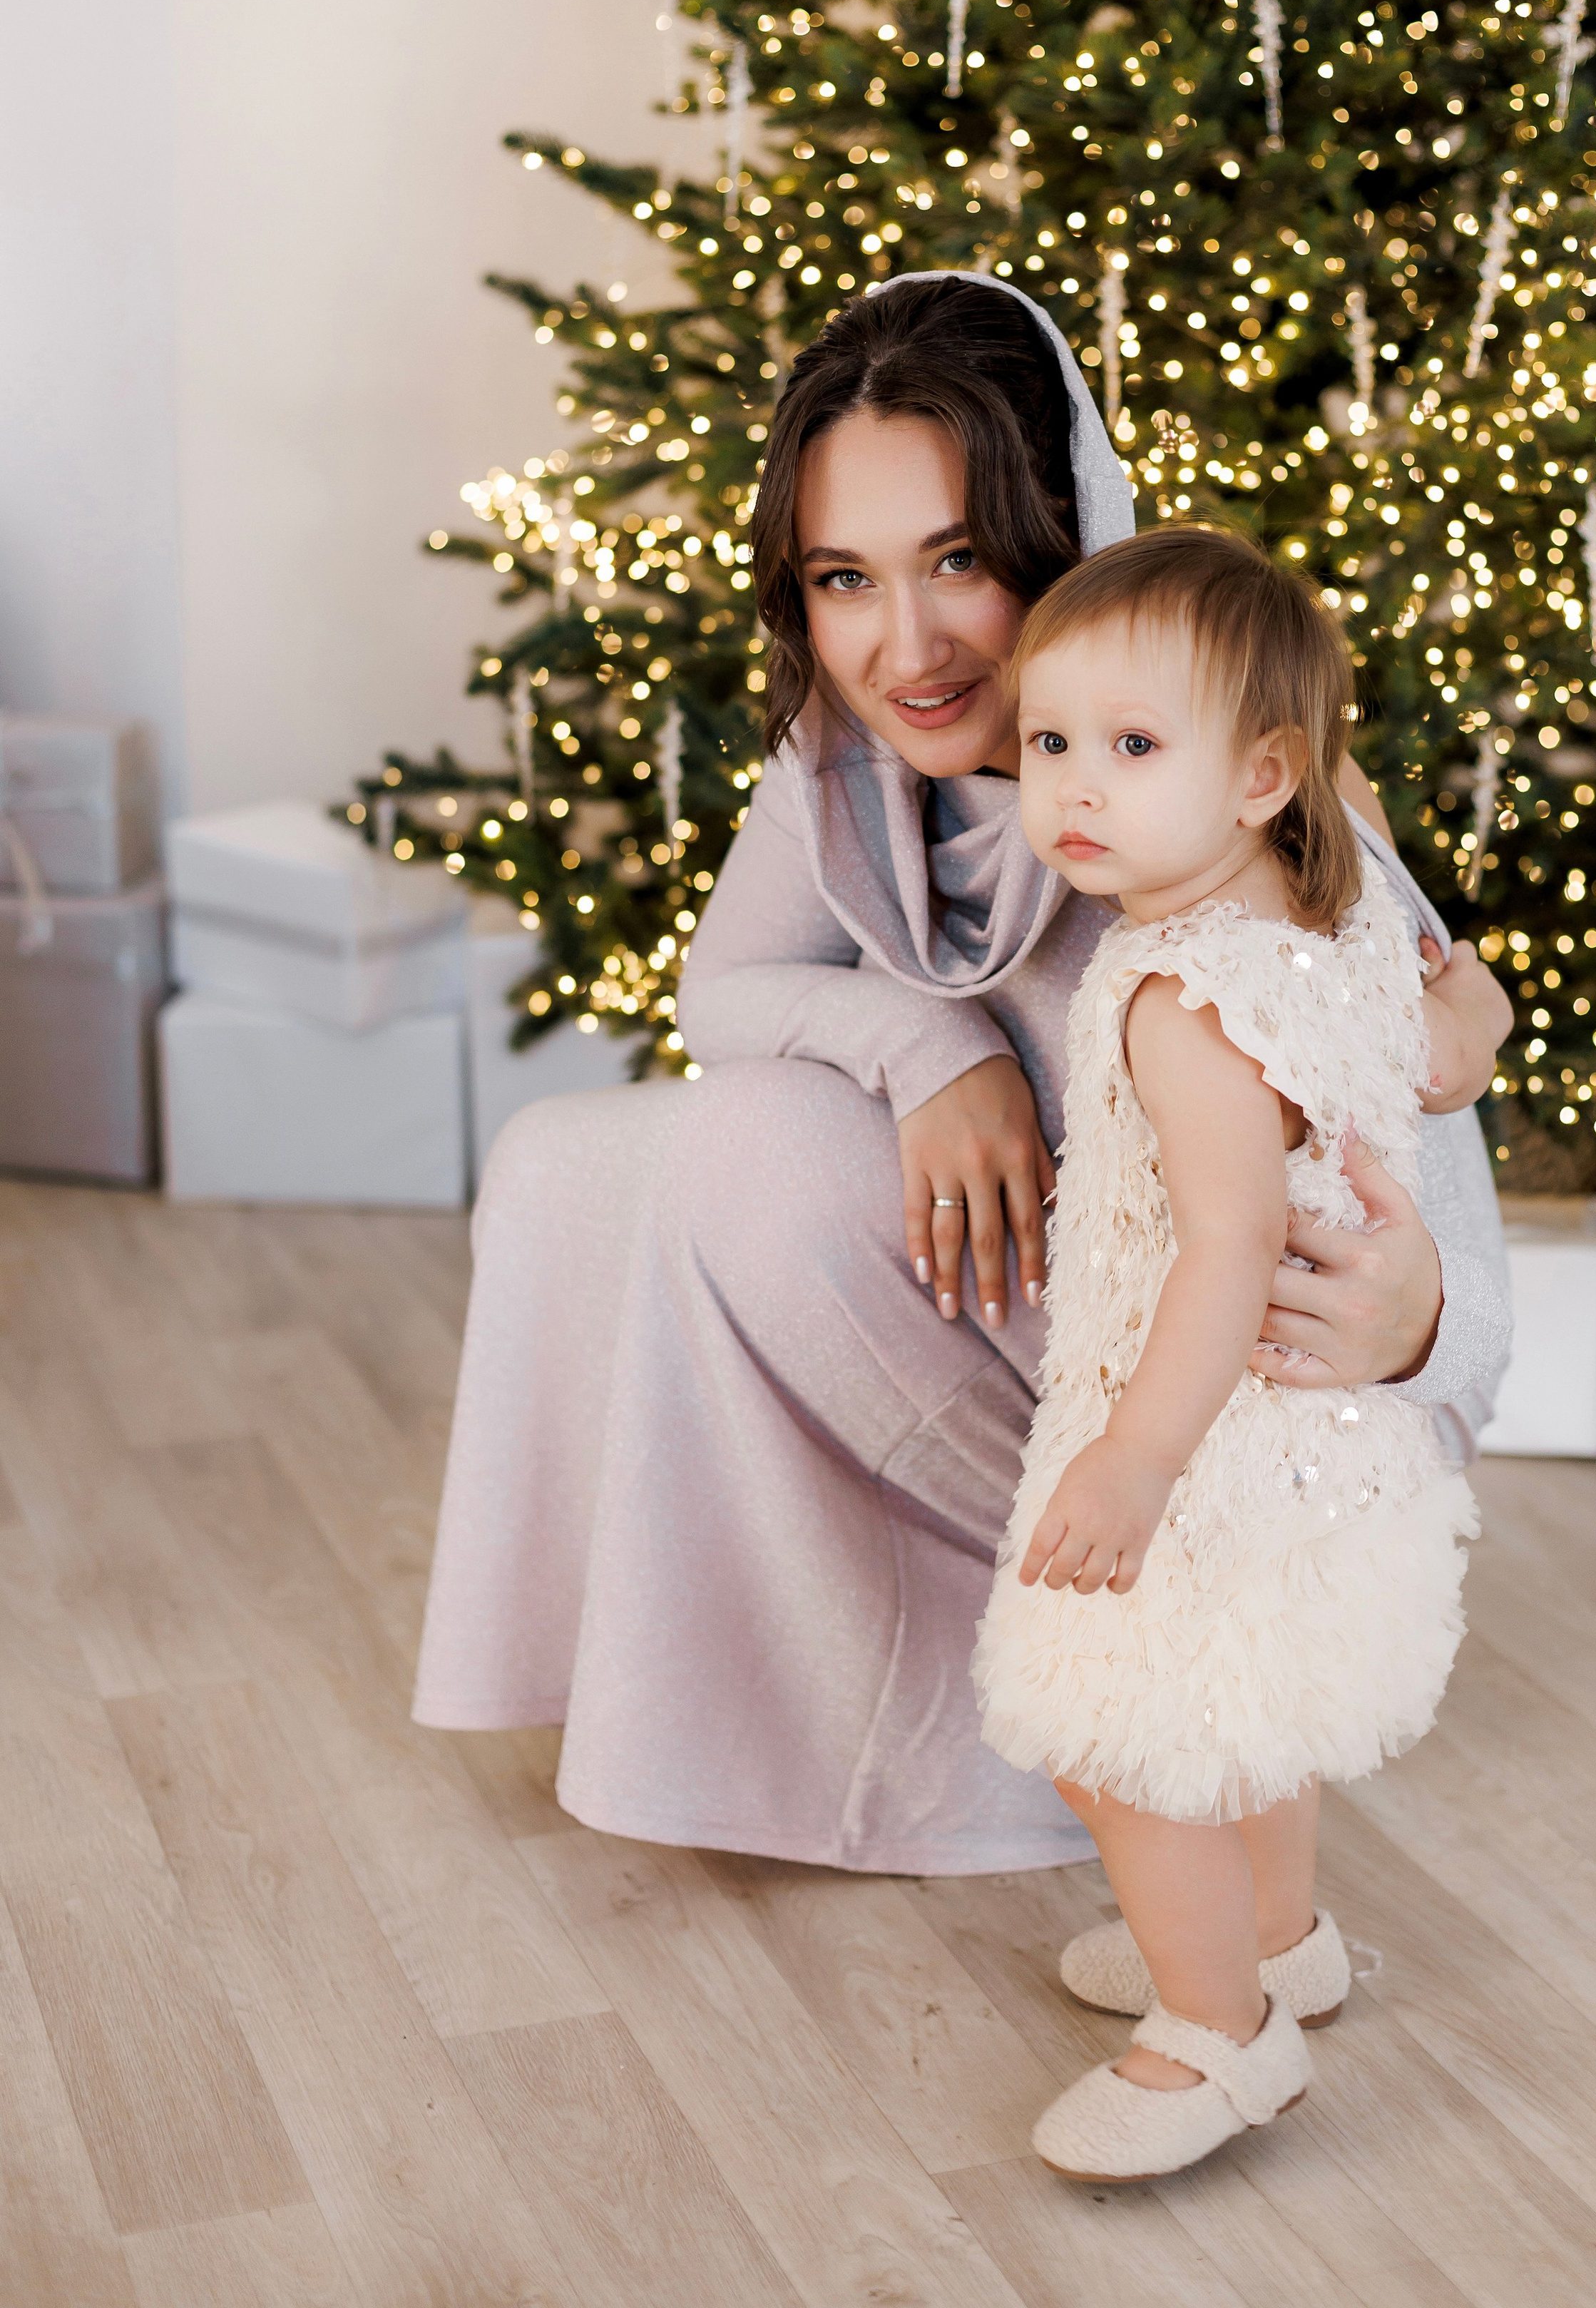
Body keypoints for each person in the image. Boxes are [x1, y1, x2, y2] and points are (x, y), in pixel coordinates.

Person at [411, 272, 1512, 1899]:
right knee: (569, 1158)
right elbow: (726, 986)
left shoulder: (1218, 793)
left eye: (960, 564)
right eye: (842, 578)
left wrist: (1410, 1315)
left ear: (1062, 538)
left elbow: (1449, 1242)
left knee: (747, 1150)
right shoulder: (849, 771)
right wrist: (930, 1050)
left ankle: (1116, 1708)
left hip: (1217, 1411)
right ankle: (725, 1694)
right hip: (1055, 1322)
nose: (901, 647)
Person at [973, 527, 1481, 2182]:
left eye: (1131, 748)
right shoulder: (1323, 938)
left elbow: (1227, 1245)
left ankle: (1216, 2034)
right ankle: (1279, 1941)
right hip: (1307, 1441)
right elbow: (1449, 1039)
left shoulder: (1177, 997)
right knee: (1246, 1704)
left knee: (1117, 1734)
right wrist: (1469, 1021)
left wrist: (1129, 1458)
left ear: (1261, 774)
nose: (1073, 790)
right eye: (1048, 742)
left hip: (1194, 1424)